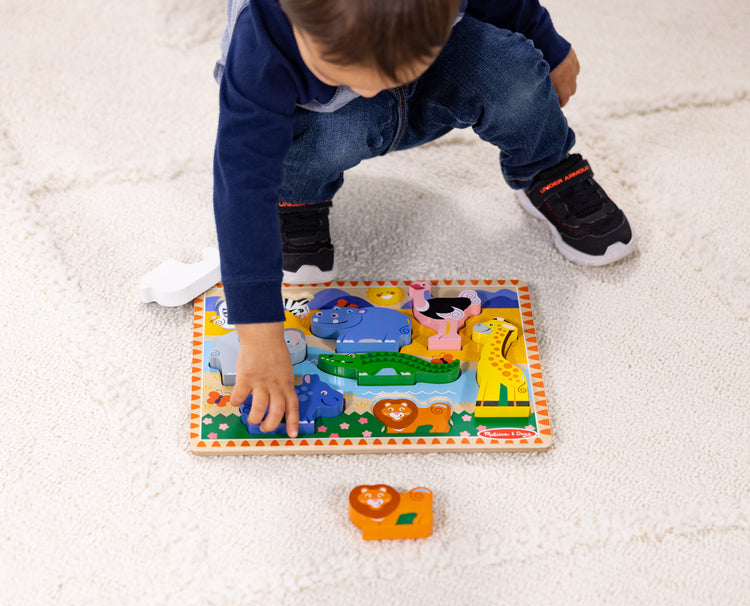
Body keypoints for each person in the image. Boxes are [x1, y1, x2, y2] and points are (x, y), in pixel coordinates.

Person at [213, 0, 636, 438]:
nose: (373, 88)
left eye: (390, 72)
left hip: (430, 87)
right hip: (324, 124)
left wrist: (548, 43)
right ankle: (297, 204)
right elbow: (242, 183)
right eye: (344, 70)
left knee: (513, 67)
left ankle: (545, 166)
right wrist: (260, 336)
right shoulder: (261, 40)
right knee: (288, 154)